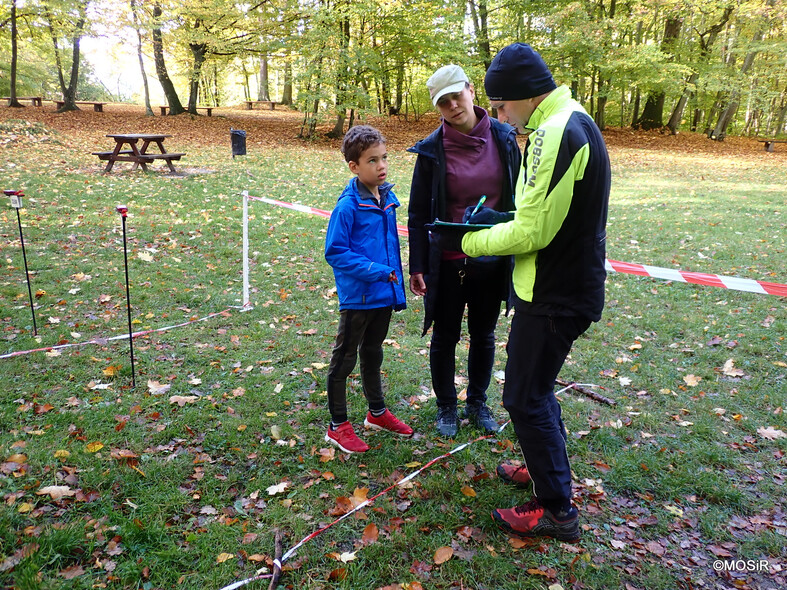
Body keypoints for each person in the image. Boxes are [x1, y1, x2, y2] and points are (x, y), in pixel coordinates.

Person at [438, 43, 611, 541]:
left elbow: (534, 232)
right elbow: (544, 214)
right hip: (555, 285)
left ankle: (557, 509)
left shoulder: (558, 131)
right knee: (535, 390)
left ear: (524, 95)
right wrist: (501, 218)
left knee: (524, 397)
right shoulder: (569, 118)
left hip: (555, 292)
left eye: (500, 104)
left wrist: (468, 237)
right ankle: (544, 472)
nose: (497, 114)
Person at [407, 64, 522, 438]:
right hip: (447, 261)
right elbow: (418, 212)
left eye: (457, 94)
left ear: (472, 90)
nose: (453, 104)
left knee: (484, 334)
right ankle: (446, 407)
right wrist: (418, 264)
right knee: (444, 336)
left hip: (493, 257)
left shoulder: (505, 139)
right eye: (443, 101)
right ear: (437, 107)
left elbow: (520, 201)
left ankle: (477, 401)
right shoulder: (431, 150)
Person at [324, 125, 414, 454]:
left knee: (373, 354)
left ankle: (376, 414)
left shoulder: (387, 199)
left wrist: (397, 283)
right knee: (344, 360)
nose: (382, 166)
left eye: (384, 158)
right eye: (373, 160)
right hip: (358, 297)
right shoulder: (347, 206)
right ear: (354, 166)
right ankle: (338, 426)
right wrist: (375, 271)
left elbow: (389, 246)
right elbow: (335, 252)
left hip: (382, 295)